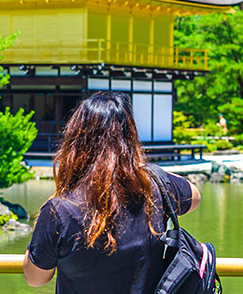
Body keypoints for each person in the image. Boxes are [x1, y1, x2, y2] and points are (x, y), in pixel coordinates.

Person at [23, 91, 202, 294]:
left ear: (75, 141)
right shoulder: (152, 189)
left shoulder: (60, 210)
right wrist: (143, 168)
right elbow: (194, 196)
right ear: (130, 137)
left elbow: (35, 278)